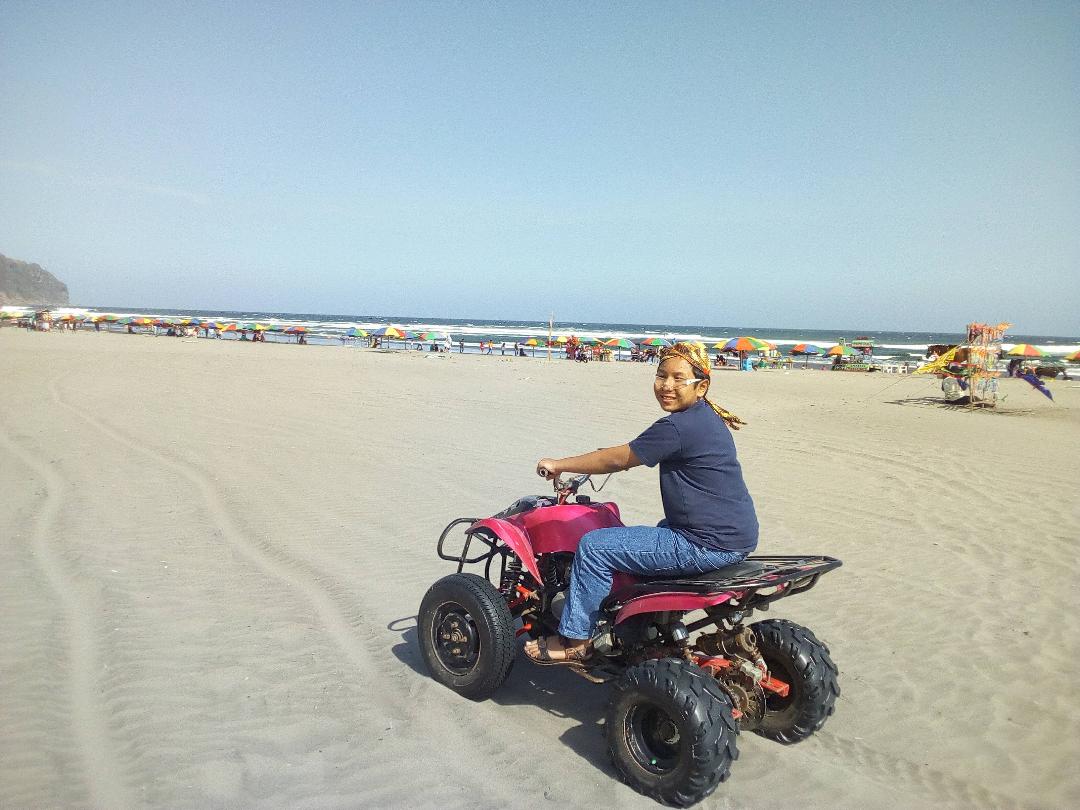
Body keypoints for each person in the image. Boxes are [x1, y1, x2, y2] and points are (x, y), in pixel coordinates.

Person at [524, 342, 757, 665]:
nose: (667, 385)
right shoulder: (706, 417)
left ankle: (577, 641)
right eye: (662, 376)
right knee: (652, 532)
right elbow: (625, 452)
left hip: (703, 542)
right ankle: (636, 621)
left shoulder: (677, 427)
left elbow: (619, 459)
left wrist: (559, 464)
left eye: (678, 378)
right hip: (737, 537)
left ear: (701, 386)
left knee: (594, 547)